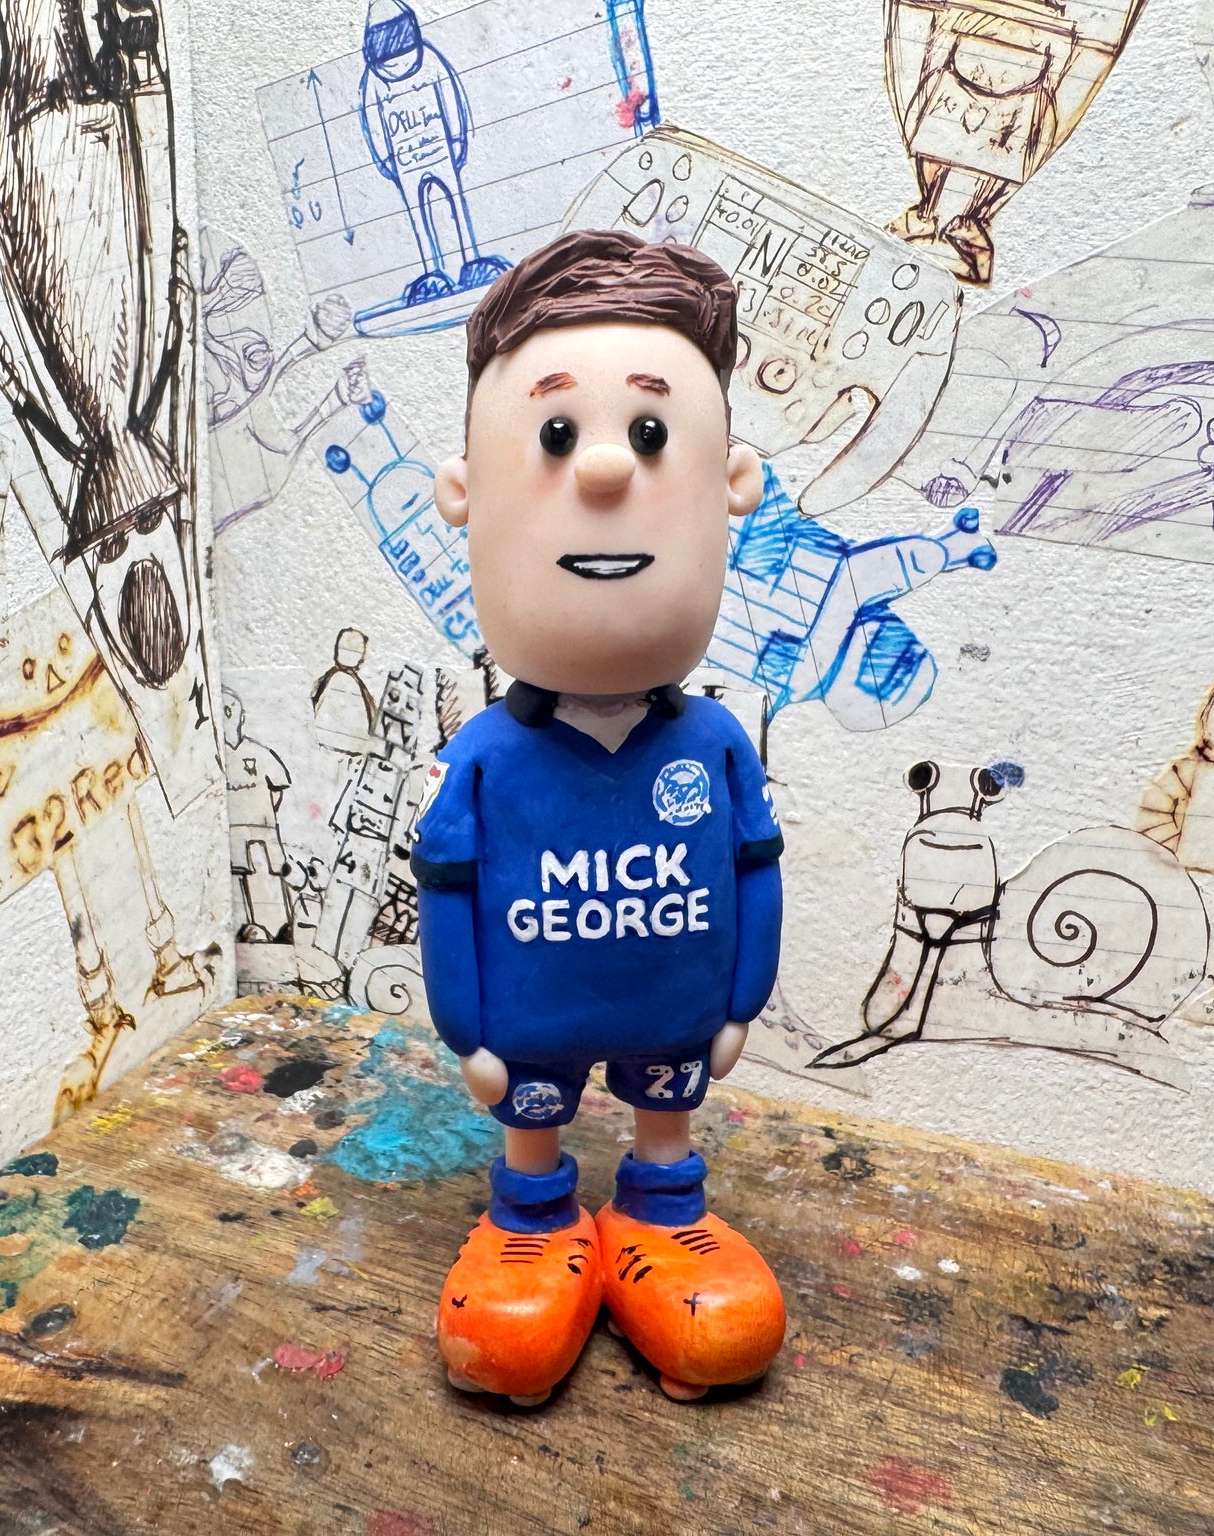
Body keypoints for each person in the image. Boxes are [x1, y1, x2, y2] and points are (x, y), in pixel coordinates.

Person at [413, 229, 785, 1406]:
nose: (609, 470)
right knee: (529, 1134)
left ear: (731, 487)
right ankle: (531, 1215)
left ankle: (661, 1209)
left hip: (676, 1031)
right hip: (524, 1041)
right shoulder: (487, 761)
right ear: (464, 499)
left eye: (652, 432)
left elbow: (754, 871)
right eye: (557, 434)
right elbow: (446, 896)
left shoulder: (713, 748)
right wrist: (467, 1030)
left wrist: (738, 1003)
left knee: (665, 1109)